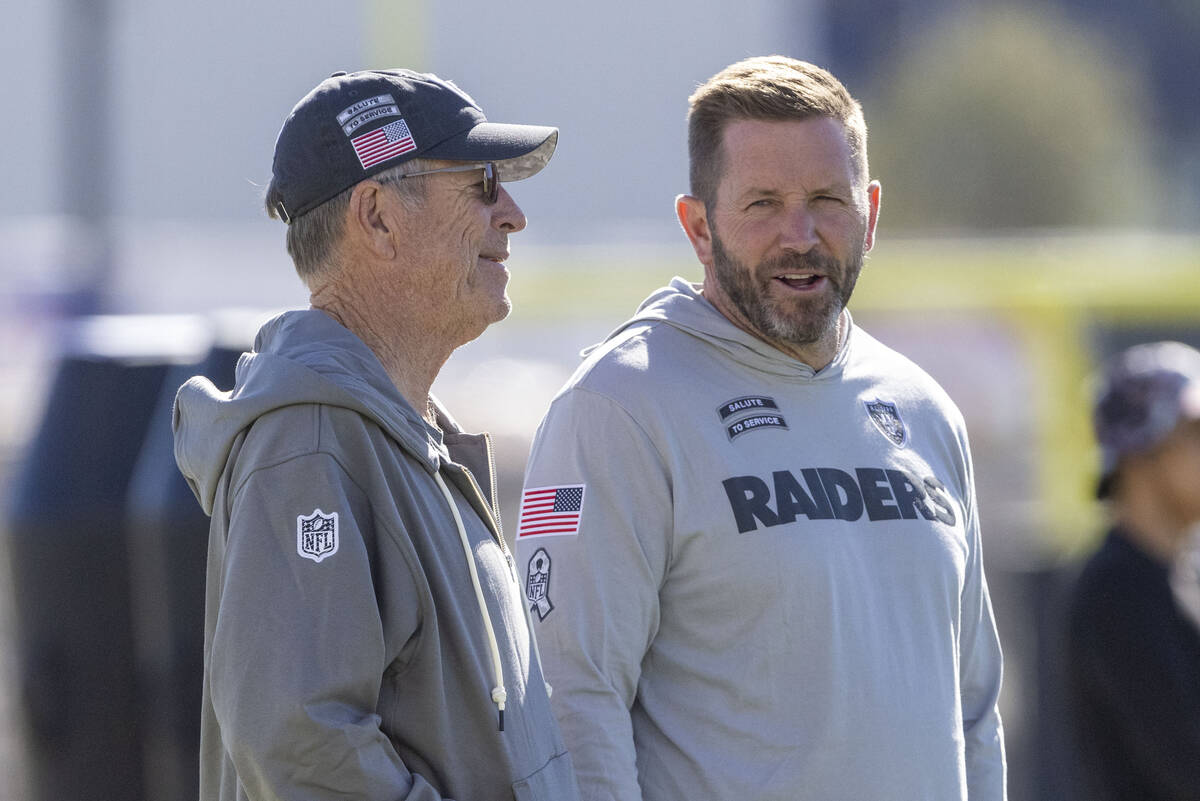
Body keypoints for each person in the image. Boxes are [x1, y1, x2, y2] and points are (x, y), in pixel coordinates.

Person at [514, 55, 1006, 800]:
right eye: (763, 204)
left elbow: (973, 712)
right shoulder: (616, 407)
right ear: (698, 228)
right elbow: (570, 702)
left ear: (870, 215)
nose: (800, 234)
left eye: (825, 200)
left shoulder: (924, 408)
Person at [173, 69, 579, 801]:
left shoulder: (387, 435)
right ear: (378, 218)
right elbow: (299, 743)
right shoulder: (310, 440)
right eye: (482, 182)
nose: (512, 213)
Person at [1065, 341, 1200, 801]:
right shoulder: (1115, 590)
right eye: (1196, 432)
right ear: (1142, 450)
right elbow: (1185, 763)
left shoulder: (1176, 576)